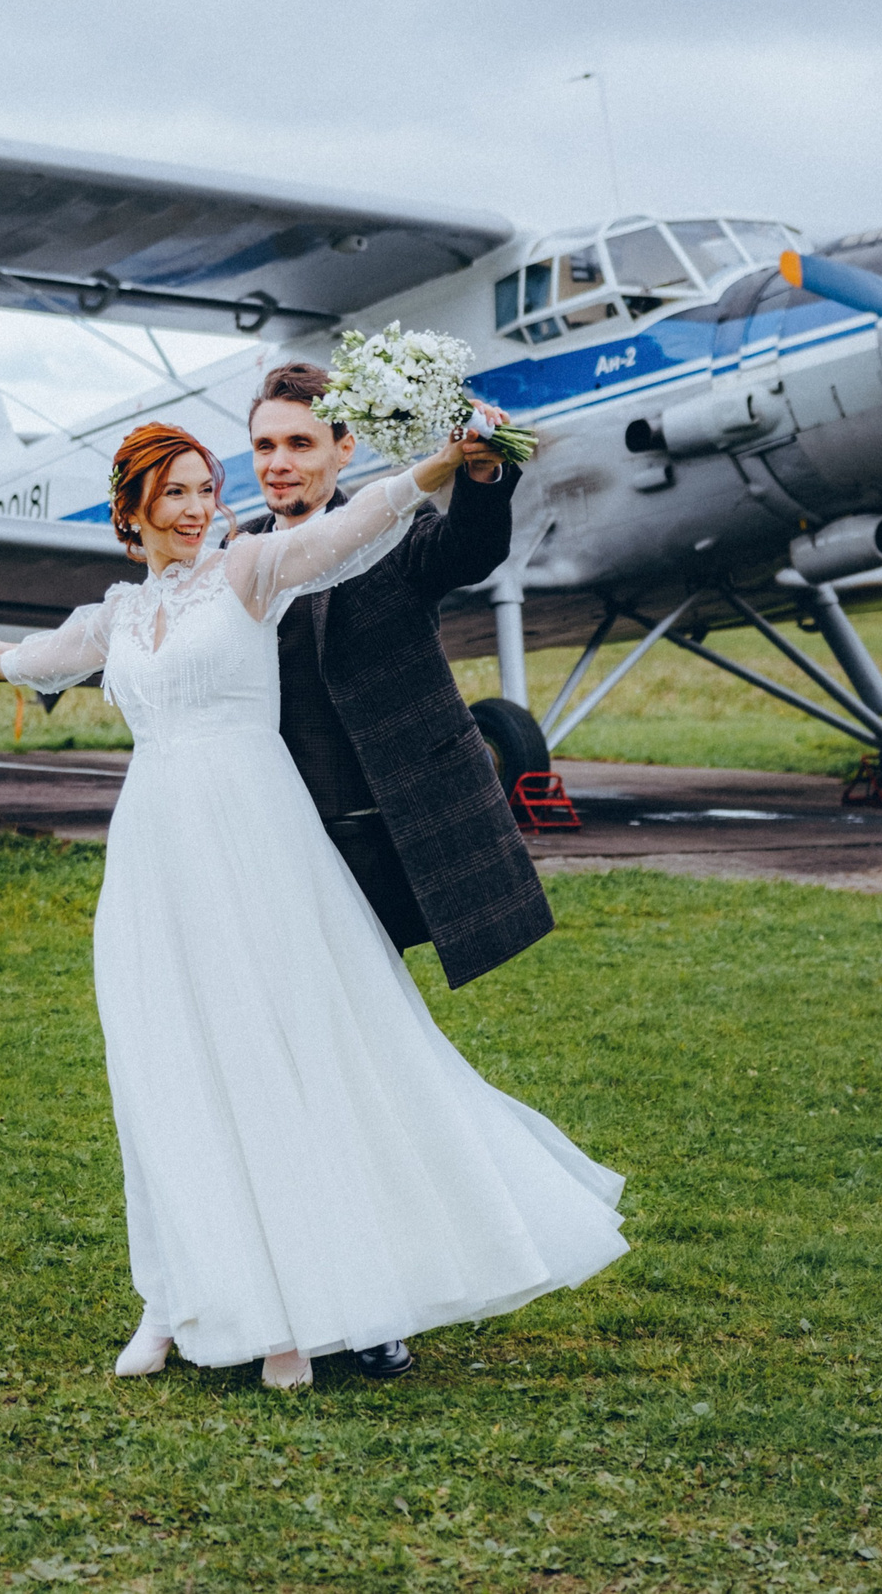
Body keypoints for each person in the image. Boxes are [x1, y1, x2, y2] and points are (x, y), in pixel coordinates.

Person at [0, 422, 625, 1391]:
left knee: (277, 1057)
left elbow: (352, 533)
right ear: (132, 510)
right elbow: (54, 656)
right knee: (166, 1069)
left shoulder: (251, 572)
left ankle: (294, 1312)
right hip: (154, 859)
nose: (195, 510)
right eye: (174, 494)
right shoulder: (119, 615)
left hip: (257, 846)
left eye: (202, 490)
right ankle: (174, 1298)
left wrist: (437, 467)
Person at [239, 362, 555, 1380]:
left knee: (357, 1073)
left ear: (343, 451)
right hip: (272, 853)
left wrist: (486, 458)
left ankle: (373, 1304)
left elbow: (472, 541)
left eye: (299, 443)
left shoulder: (393, 533)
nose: (279, 463)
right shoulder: (231, 559)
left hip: (385, 847)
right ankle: (293, 1292)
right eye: (264, 445)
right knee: (286, 1079)